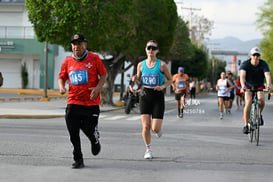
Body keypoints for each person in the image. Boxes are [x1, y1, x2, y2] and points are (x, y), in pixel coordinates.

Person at [58, 33, 107, 168]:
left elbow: (103, 74)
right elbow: (62, 77)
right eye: (74, 44)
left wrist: (97, 88)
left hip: (91, 104)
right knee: (73, 132)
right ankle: (78, 159)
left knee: (88, 128)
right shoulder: (67, 61)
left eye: (79, 44)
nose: (76, 46)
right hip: (73, 102)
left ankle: (94, 139)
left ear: (84, 45)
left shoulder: (94, 58)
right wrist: (62, 87)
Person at [132, 40, 172, 159]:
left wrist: (163, 86)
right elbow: (138, 79)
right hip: (144, 95)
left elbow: (170, 80)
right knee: (145, 126)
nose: (150, 50)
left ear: (157, 51)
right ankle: (148, 149)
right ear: (145, 49)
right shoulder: (140, 65)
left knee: (155, 128)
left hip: (157, 96)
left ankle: (158, 130)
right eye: (148, 48)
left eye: (153, 48)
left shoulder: (162, 65)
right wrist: (135, 79)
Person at [240, 46, 272, 134]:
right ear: (251, 56)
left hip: (259, 85)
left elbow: (267, 75)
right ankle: (246, 125)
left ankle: (258, 114)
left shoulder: (263, 64)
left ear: (260, 56)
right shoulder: (245, 64)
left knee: (262, 101)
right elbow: (242, 76)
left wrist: (269, 85)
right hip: (248, 86)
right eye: (254, 55)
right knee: (249, 102)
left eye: (257, 55)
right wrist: (242, 86)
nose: (256, 57)